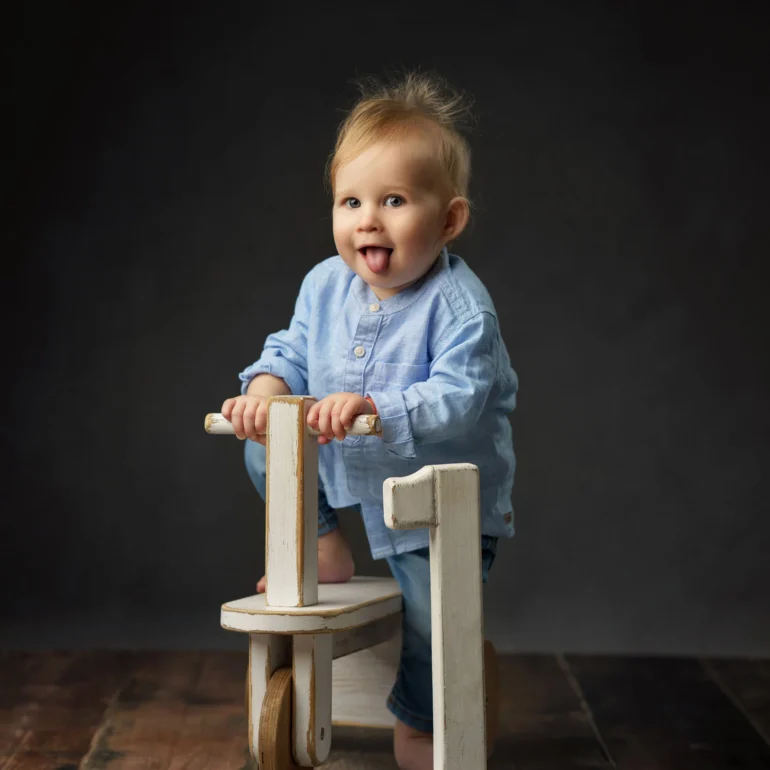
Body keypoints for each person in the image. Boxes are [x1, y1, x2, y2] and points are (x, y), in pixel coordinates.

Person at [221, 70, 518, 770]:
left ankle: (421, 720)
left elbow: (460, 395)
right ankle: (324, 544)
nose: (368, 221)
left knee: (430, 621)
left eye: (394, 200)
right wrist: (266, 386)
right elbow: (292, 349)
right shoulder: (325, 284)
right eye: (350, 200)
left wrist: (379, 408)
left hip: (436, 497)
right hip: (345, 460)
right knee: (263, 441)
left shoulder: (460, 307)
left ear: (448, 221)